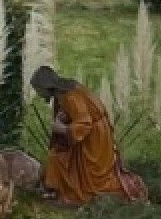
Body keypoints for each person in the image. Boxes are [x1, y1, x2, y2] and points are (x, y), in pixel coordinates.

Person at [30, 65, 146, 206]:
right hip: (90, 135)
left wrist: (62, 128)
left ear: (46, 86)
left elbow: (85, 123)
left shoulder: (70, 97)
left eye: (38, 90)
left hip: (93, 138)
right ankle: (57, 189)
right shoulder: (64, 93)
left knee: (94, 178)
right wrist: (64, 119)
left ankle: (91, 192)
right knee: (58, 156)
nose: (38, 94)